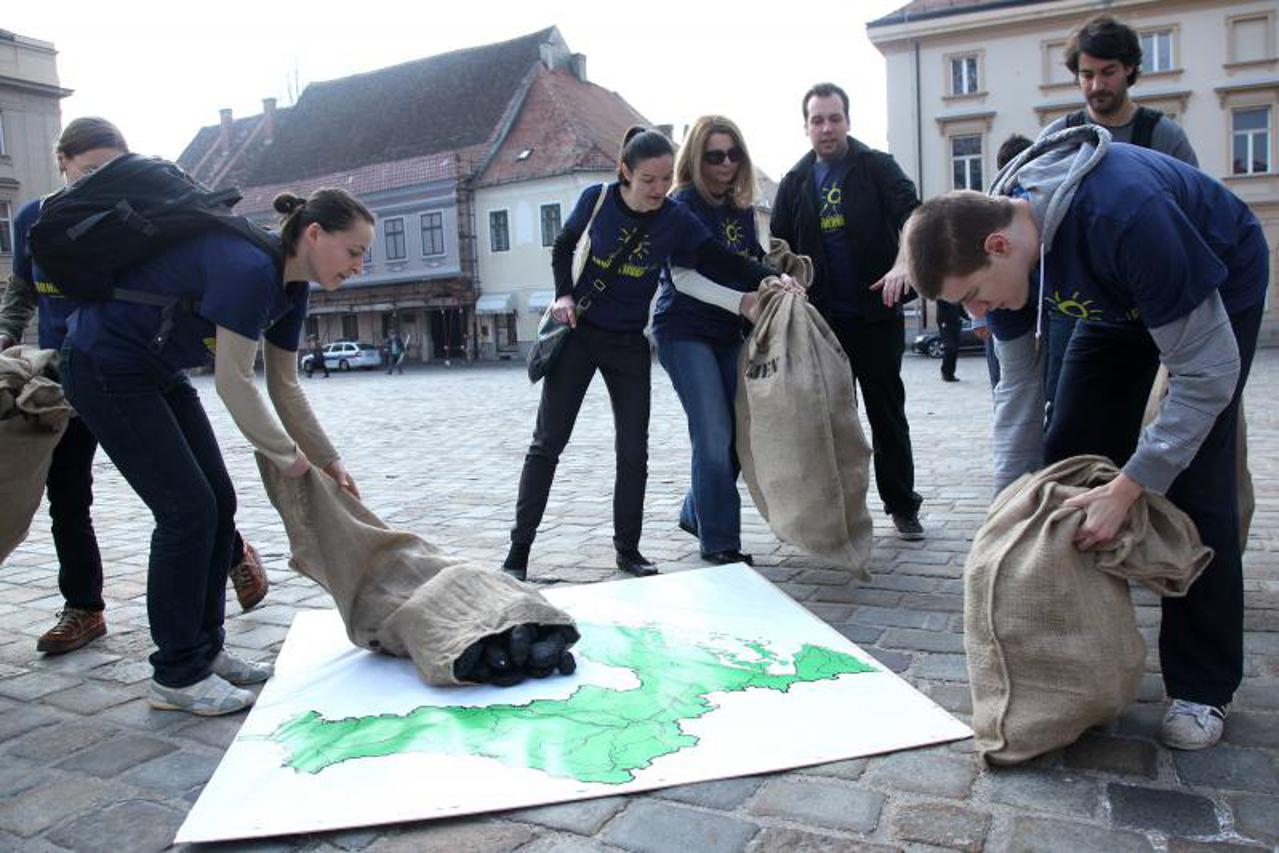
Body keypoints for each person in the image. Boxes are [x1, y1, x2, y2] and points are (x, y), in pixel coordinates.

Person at [904, 125, 1268, 751]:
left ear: (999, 245)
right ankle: (1079, 654)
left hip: (1211, 282)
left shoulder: (1127, 216)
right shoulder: (1005, 259)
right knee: (1065, 458)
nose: (978, 317)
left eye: (973, 297)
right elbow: (1017, 393)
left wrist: (1130, 487)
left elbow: (1208, 377)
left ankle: (1202, 687)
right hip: (1109, 304)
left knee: (1195, 478)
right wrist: (1009, 504)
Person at [61, 180, 373, 716]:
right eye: (353, 252)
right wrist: (286, 457)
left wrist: (328, 459)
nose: (357, 267)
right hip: (103, 366)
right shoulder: (249, 269)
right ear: (315, 234)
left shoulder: (292, 287)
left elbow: (285, 385)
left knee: (218, 505)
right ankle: (177, 673)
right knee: (186, 510)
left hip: (155, 370)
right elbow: (233, 383)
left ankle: (207, 653)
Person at [0, 118, 267, 658]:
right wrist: (5, 335)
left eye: (111, 167)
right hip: (65, 379)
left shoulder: (133, 215)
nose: (98, 178)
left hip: (141, 368)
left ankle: (228, 551)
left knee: (192, 494)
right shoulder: (36, 219)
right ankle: (84, 608)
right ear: (64, 165)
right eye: (89, 169)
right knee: (69, 497)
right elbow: (21, 290)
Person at [503, 127, 788, 581]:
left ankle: (628, 550)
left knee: (634, 451)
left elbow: (717, 258)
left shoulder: (674, 219)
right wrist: (563, 296)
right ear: (625, 173)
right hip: (579, 335)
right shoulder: (596, 200)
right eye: (648, 180)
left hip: (628, 345)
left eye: (664, 179)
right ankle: (518, 553)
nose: (658, 189)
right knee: (547, 445)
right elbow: (563, 245)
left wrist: (767, 277)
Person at [770, 82, 925, 540]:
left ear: (848, 121)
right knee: (831, 423)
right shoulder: (795, 181)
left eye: (834, 118)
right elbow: (777, 245)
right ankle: (839, 513)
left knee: (886, 414)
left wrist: (903, 263)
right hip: (822, 324)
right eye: (817, 120)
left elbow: (915, 217)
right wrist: (784, 275)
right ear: (806, 127)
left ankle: (902, 505)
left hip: (876, 315)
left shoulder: (877, 167)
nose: (826, 128)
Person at [1038, 14, 1200, 424]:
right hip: (1074, 302)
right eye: (1086, 74)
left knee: (1143, 413)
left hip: (1144, 299)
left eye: (1107, 72)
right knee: (1064, 414)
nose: (1096, 86)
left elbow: (1192, 219)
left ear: (1129, 69)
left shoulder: (1163, 136)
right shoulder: (1061, 137)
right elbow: (1031, 214)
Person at [650, 116, 765, 567]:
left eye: (733, 153)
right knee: (713, 433)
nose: (726, 163)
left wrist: (778, 279)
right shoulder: (680, 205)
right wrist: (742, 301)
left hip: (726, 332)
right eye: (715, 155)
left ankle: (695, 510)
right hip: (683, 330)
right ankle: (719, 542)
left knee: (739, 434)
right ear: (696, 158)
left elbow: (749, 261)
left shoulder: (739, 207)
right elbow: (682, 278)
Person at [935, 300, 965, 383]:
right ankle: (945, 373)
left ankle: (950, 374)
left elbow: (960, 308)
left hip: (956, 322)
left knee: (955, 349)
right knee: (949, 347)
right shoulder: (943, 293)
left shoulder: (957, 295)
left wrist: (969, 317)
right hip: (945, 322)